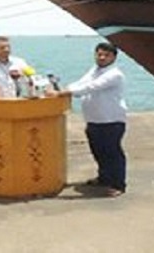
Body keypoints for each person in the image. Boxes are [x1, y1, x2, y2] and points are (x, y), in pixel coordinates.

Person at [47, 42, 127, 197]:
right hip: (93, 119)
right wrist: (64, 89)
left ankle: (118, 184)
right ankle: (104, 178)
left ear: (114, 57)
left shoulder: (114, 74)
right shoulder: (95, 70)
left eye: (106, 55)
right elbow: (81, 83)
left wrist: (64, 93)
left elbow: (91, 87)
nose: (102, 57)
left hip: (111, 120)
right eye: (99, 54)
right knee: (98, 151)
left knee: (112, 153)